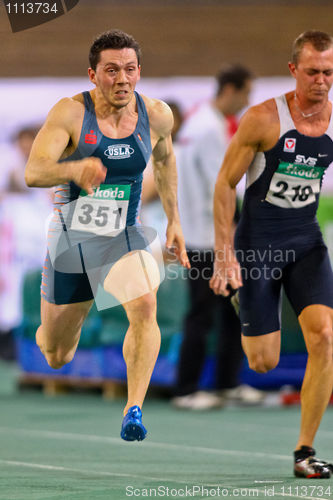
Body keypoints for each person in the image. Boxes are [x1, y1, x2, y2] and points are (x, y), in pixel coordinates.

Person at [25, 29, 189, 442]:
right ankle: (58, 328)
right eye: (111, 70)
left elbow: (166, 160)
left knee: (145, 305)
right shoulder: (70, 113)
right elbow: (34, 171)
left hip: (122, 234)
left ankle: (133, 407)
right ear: (93, 75)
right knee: (57, 354)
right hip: (72, 238)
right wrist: (72, 169)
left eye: (129, 70)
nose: (122, 79)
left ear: (139, 72)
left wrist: (173, 220)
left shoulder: (157, 114)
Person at [210, 30, 333, 477]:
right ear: (293, 70)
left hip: (306, 242)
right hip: (257, 245)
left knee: (324, 335)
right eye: (313, 72)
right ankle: (243, 297)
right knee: (263, 362)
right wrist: (225, 255)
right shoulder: (264, 119)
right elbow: (225, 184)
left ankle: (304, 452)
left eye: (329, 72)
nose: (321, 81)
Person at [172, 65, 264, 410]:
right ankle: (186, 390)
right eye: (246, 93)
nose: (247, 101)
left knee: (230, 312)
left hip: (206, 235)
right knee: (202, 313)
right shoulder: (209, 129)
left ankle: (226, 383)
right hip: (209, 240)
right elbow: (221, 185)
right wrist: (243, 226)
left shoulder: (200, 123)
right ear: (231, 89)